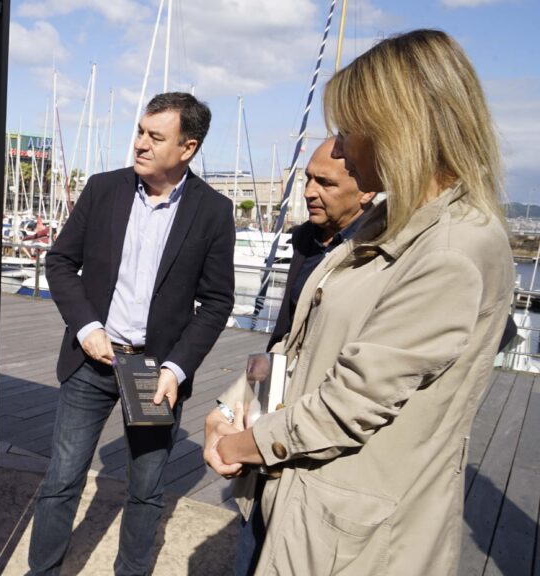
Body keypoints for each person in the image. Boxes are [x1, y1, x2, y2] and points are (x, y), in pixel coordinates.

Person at [205, 29, 514, 575]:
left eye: (349, 130)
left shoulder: (453, 249)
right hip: (308, 509)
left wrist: (241, 447)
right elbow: (307, 346)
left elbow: (350, 405)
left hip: (352, 539)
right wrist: (236, 404)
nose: (341, 148)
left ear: (401, 127)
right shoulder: (393, 219)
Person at [29, 92, 235, 575]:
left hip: (154, 372)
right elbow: (59, 261)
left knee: (145, 492)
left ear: (187, 147)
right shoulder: (103, 190)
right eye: (140, 131)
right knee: (61, 480)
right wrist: (86, 327)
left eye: (154, 136)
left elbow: (217, 303)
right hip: (91, 362)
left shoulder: (212, 211)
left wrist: (176, 368)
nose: (139, 143)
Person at [266, 137, 376, 350]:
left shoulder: (379, 248)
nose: (309, 192)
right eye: (308, 178)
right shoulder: (304, 238)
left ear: (367, 190)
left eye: (325, 183)